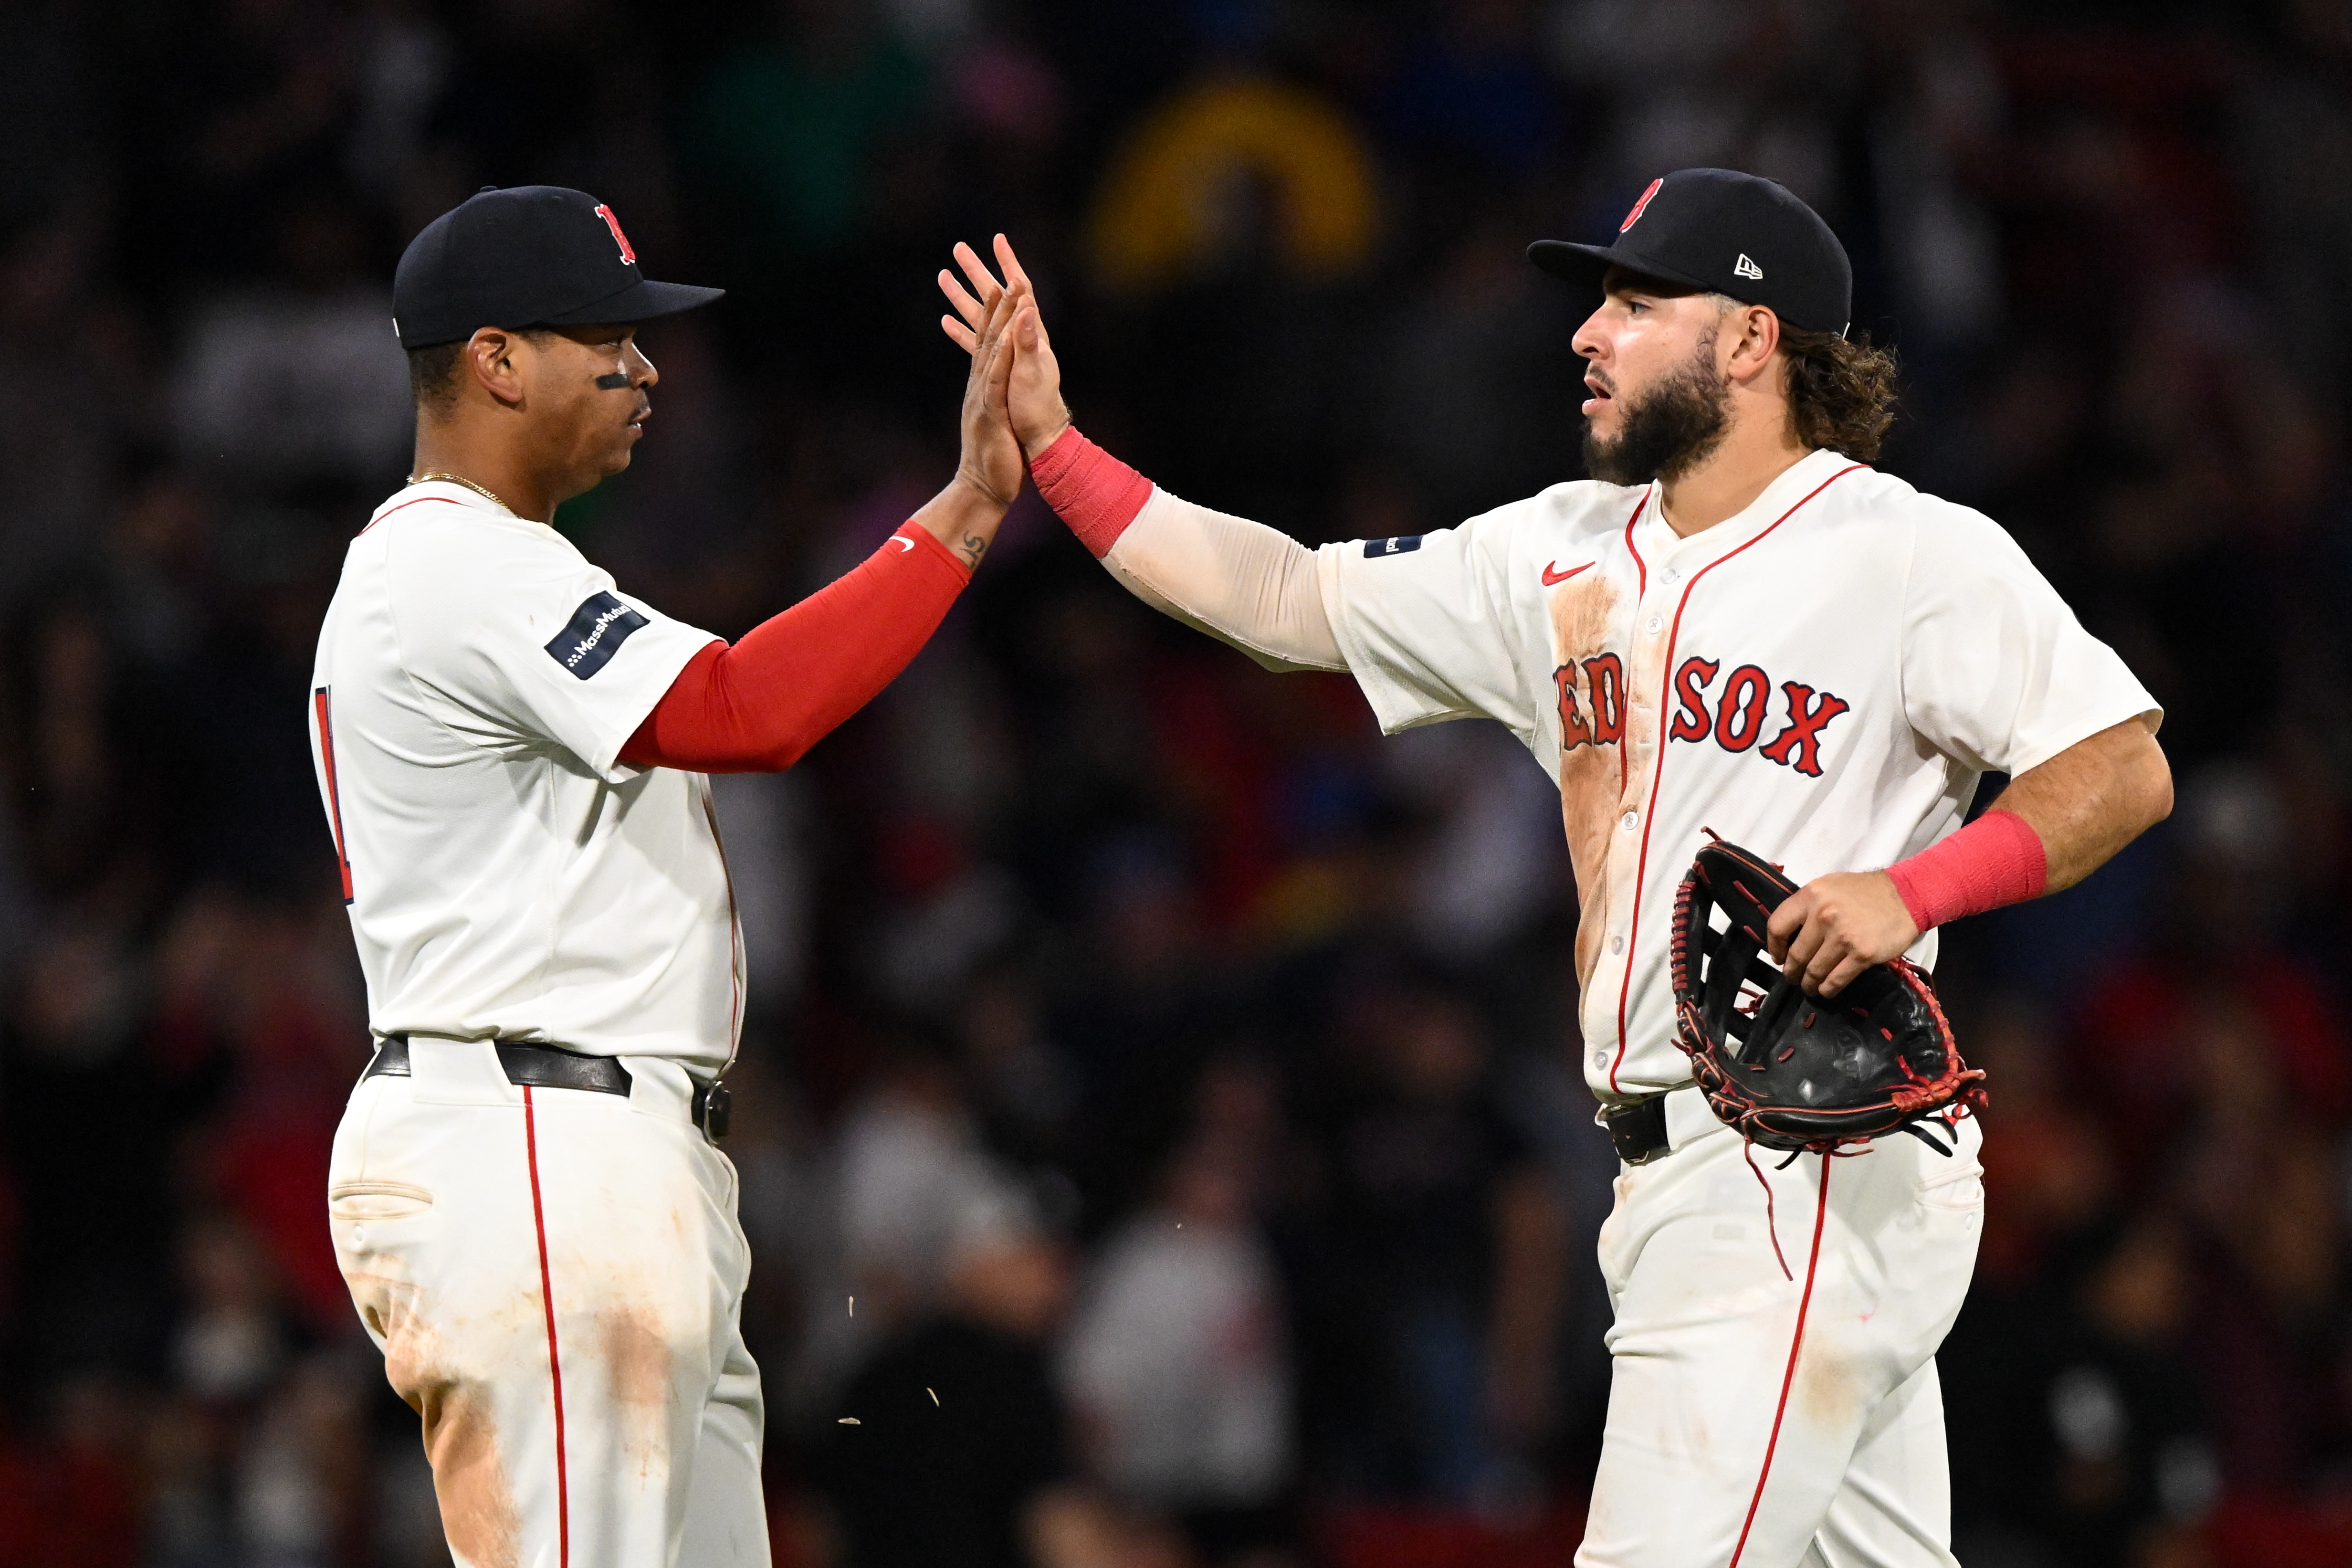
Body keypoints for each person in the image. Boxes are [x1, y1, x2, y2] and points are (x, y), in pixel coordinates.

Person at [940, 168, 2173, 1567]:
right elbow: (1285, 599)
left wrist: (1919, 889)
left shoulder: (1909, 554)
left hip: (1800, 1168)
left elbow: (2121, 764)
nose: (1590, 332)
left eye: (1638, 302)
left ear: (1754, 341)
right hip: (1676, 1180)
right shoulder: (1562, 555)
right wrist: (1058, 448)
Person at [310, 184, 1031, 1568]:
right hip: (531, 1144)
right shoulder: (455, 560)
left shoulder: (497, 566)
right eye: (605, 337)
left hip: (600, 1149)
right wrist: (968, 506)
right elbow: (749, 710)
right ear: (495, 359)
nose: (645, 368)